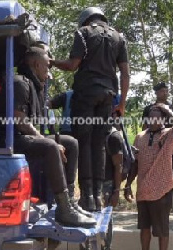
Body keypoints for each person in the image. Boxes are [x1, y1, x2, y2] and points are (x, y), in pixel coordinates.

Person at [0, 47, 96, 227]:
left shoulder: (36, 86)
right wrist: (47, 140)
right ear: (36, 65)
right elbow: (21, 122)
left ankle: (69, 201)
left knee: (70, 142)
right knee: (50, 147)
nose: (49, 72)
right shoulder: (19, 83)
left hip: (21, 137)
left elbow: (40, 122)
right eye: (47, 66)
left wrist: (54, 137)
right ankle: (64, 209)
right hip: (6, 139)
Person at [50, 7, 130, 212]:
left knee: (83, 143)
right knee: (99, 144)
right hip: (108, 96)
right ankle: (96, 195)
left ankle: (87, 197)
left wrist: (51, 62)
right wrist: (121, 104)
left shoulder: (83, 33)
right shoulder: (119, 37)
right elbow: (125, 73)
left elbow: (72, 65)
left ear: (84, 20)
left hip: (85, 95)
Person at [125, 104, 173, 250]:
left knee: (161, 228)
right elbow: (135, 164)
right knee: (144, 227)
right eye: (151, 116)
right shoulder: (140, 137)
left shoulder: (169, 135)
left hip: (162, 187)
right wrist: (128, 184)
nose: (154, 119)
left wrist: (168, 110)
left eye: (158, 116)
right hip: (143, 189)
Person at [67, 111, 126, 250]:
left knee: (104, 221)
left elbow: (118, 165)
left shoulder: (112, 136)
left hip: (106, 184)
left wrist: (116, 191)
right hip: (88, 184)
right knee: (84, 217)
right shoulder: (90, 134)